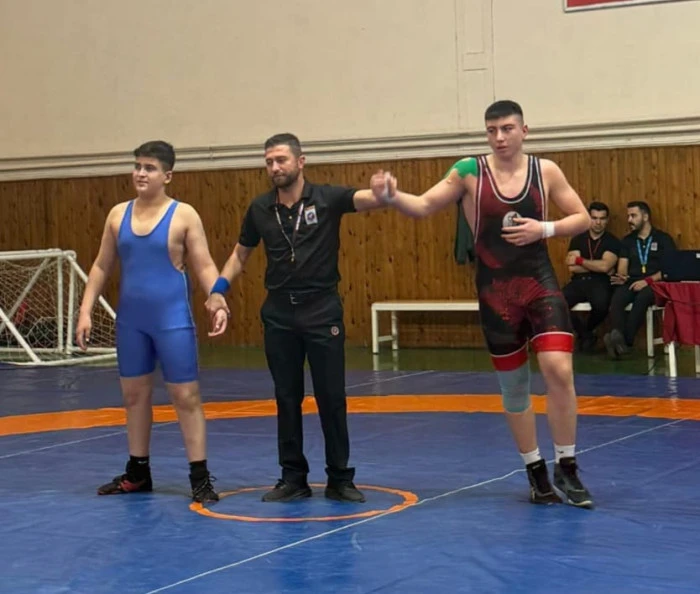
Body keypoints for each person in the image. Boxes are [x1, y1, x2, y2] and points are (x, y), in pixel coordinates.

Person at [376, 100, 594, 508]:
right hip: (496, 294)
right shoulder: (469, 171)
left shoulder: (545, 170)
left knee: (558, 369)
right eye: (492, 130)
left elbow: (581, 217)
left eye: (507, 129)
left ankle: (567, 467)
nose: (499, 138)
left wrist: (544, 228)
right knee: (514, 387)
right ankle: (536, 472)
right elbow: (423, 206)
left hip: (539, 284)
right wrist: (392, 195)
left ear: (524, 130)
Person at [206, 133, 388, 503]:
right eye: (269, 162)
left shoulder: (326, 198)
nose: (274, 167)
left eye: (281, 160)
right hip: (279, 312)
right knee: (286, 396)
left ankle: (340, 477)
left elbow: (366, 200)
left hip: (321, 309)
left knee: (331, 396)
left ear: (300, 162)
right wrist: (218, 289)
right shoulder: (260, 208)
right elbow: (240, 254)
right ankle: (293, 478)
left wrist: (382, 192)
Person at [76, 140, 228, 503]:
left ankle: (200, 477)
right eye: (138, 166)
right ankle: (138, 472)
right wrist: (85, 310)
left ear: (167, 176)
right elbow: (101, 265)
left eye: (149, 168)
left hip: (171, 320)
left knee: (185, 396)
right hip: (132, 322)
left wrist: (218, 297)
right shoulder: (118, 215)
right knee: (133, 396)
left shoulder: (184, 215)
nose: (141, 173)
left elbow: (205, 264)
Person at [604, 201, 676, 359]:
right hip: (632, 281)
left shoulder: (663, 239)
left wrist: (648, 281)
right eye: (628, 216)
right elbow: (623, 266)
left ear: (645, 216)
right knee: (617, 297)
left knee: (643, 297)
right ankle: (619, 339)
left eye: (633, 215)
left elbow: (669, 269)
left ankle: (625, 341)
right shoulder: (628, 241)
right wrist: (622, 276)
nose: (629, 219)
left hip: (656, 283)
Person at [562, 201, 620, 352]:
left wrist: (580, 261)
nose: (598, 222)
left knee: (602, 306)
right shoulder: (578, 239)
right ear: (589, 218)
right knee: (558, 304)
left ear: (607, 220)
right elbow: (572, 267)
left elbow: (605, 266)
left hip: (600, 282)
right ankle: (586, 335)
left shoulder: (612, 241)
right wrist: (597, 266)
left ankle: (585, 333)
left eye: (602, 218)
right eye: (594, 218)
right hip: (578, 282)